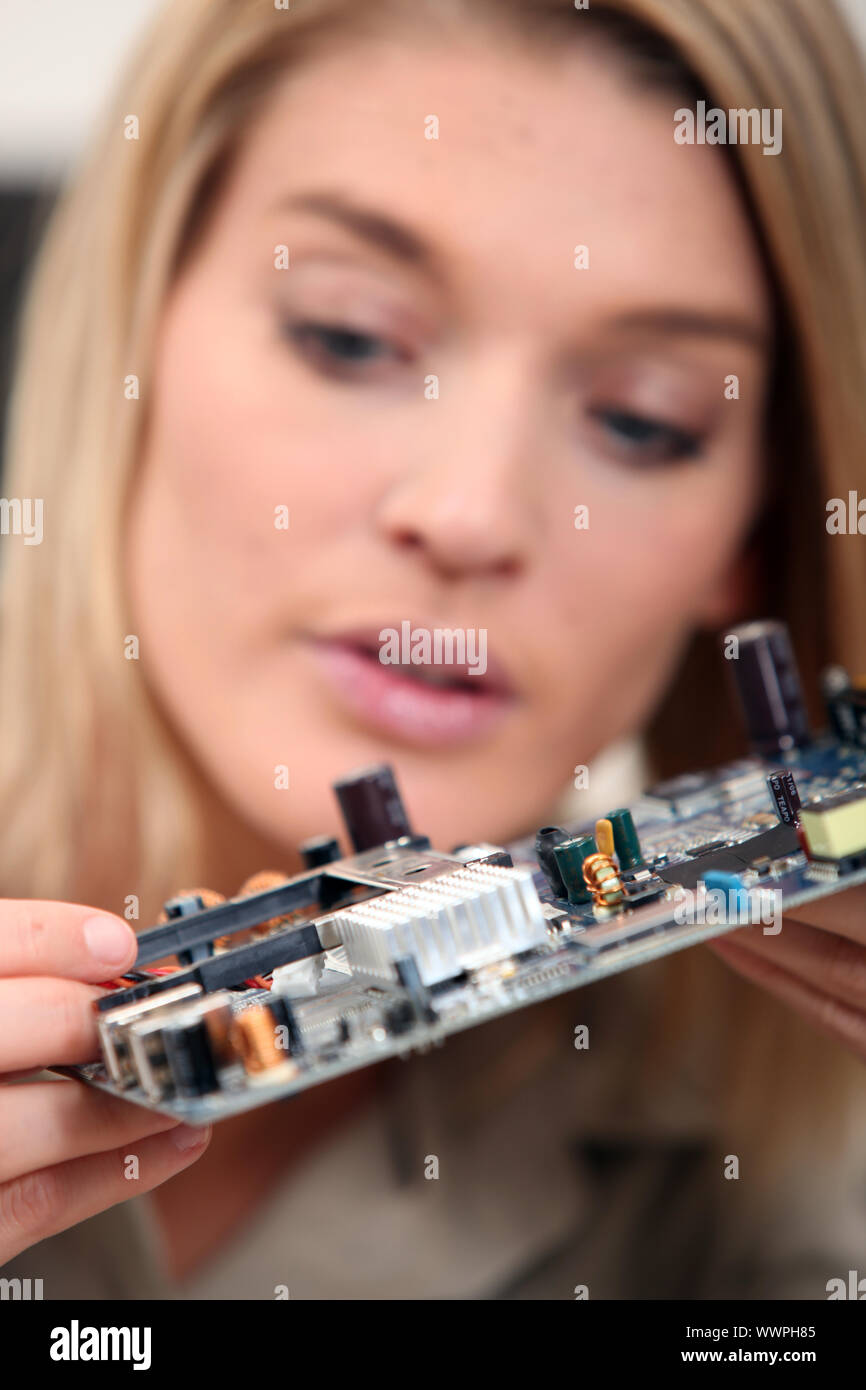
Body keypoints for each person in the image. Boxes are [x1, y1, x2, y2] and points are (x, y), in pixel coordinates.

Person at [1, 0, 865, 1300]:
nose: (469, 514)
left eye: (642, 420)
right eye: (349, 335)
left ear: (750, 530)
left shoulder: (776, 1213)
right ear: (132, 329)